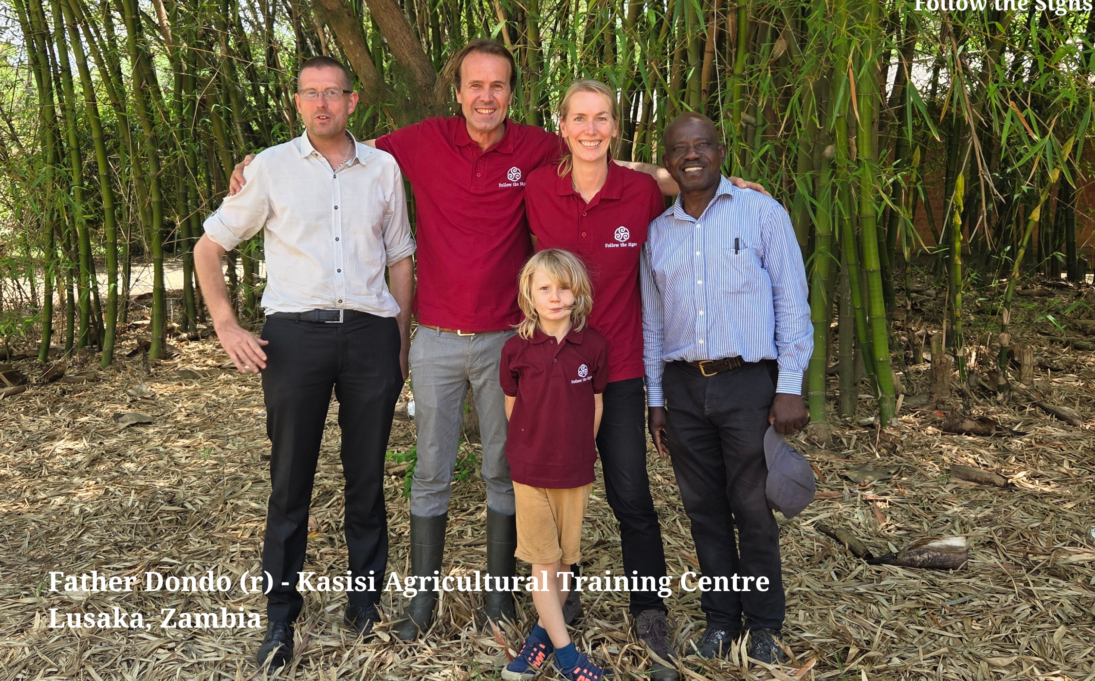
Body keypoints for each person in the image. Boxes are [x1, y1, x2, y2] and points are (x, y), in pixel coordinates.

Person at [226, 40, 767, 640]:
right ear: (458, 91)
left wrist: (711, 177)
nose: (486, 96)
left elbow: (618, 165)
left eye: (498, 86)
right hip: (464, 341)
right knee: (476, 473)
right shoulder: (428, 143)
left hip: (554, 351)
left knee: (562, 481)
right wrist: (267, 160)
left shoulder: (539, 149)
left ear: (513, 94)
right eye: (475, 85)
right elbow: (345, 151)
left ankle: (570, 606)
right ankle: (444, 605)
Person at [194, 57, 416, 670]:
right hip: (296, 338)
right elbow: (208, 246)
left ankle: (364, 605)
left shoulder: (384, 169)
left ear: (352, 101)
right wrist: (226, 324)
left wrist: (398, 341)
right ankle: (279, 617)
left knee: (366, 478)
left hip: (371, 334)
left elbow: (400, 256)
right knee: (290, 481)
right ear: (296, 102)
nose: (322, 104)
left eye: (333, 94)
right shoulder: (268, 168)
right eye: (310, 94)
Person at [640, 112, 812, 665]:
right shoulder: (658, 233)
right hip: (684, 388)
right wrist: (657, 400)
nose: (691, 155)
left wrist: (789, 385)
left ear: (720, 151)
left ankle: (764, 625)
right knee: (704, 510)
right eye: (679, 148)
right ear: (666, 161)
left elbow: (791, 300)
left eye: (702, 146)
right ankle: (721, 619)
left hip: (747, 384)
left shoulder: (761, 211)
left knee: (753, 509)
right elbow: (651, 322)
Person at [524, 80, 676, 677]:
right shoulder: (539, 185)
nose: (590, 129)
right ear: (562, 126)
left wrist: (731, 184)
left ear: (616, 126)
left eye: (602, 118)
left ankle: (649, 606)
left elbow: (682, 184)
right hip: (555, 372)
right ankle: (564, 597)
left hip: (619, 369)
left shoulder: (639, 191)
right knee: (561, 489)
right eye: (579, 119)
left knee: (630, 492)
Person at [499, 249, 610, 681]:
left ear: (577, 292)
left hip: (575, 469)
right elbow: (514, 409)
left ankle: (539, 642)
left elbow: (595, 406)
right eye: (545, 288)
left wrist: (578, 448)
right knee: (543, 563)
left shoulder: (594, 345)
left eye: (564, 287)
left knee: (564, 561)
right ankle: (567, 656)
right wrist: (536, 448)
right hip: (530, 470)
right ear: (529, 293)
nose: (555, 297)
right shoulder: (516, 349)